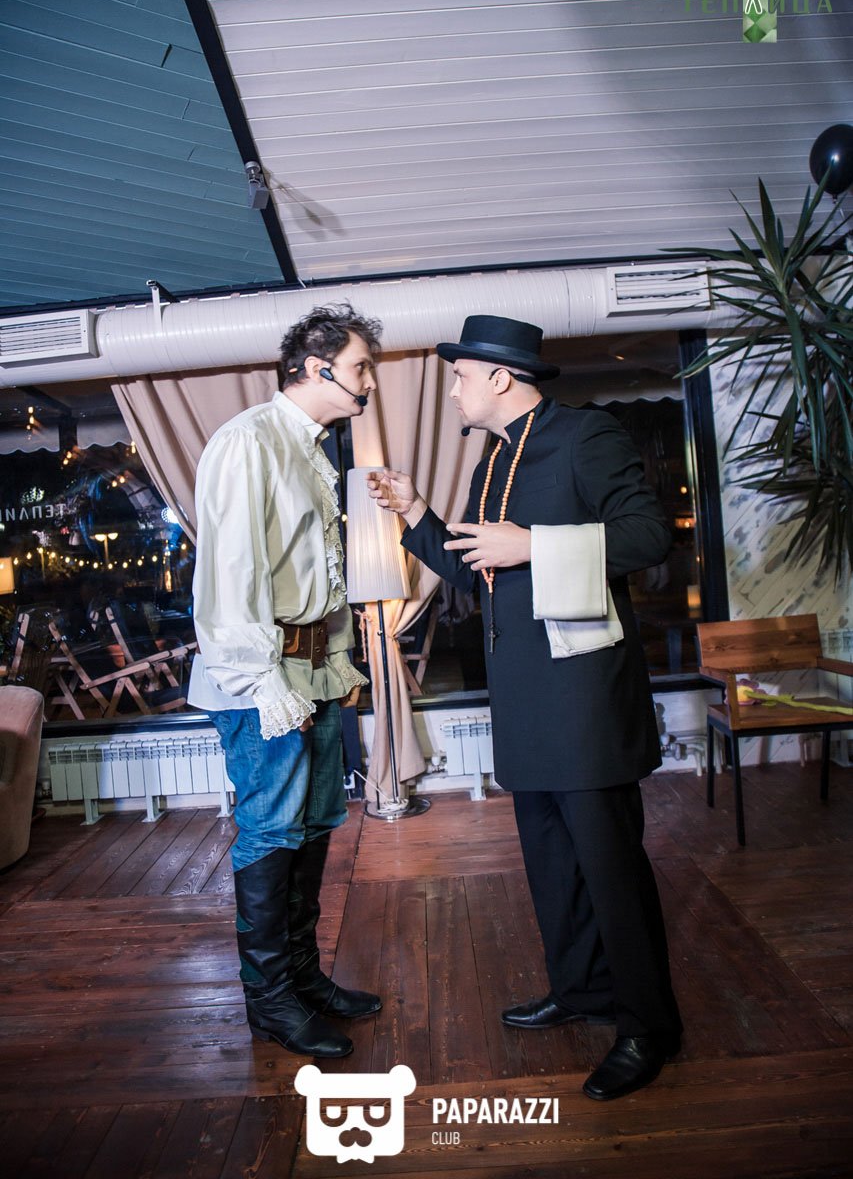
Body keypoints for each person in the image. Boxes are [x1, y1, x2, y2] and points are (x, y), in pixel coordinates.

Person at [368, 314, 683, 1101]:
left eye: (459, 377)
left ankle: (648, 1027)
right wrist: (415, 513)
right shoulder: (493, 460)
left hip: (583, 700)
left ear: (500, 378)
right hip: (525, 699)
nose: (453, 391)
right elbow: (478, 572)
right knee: (551, 863)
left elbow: (648, 537)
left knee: (609, 870)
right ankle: (580, 990)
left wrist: (535, 543)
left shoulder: (584, 436)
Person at [189, 303, 382, 1059]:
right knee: (271, 828)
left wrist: (335, 663)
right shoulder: (249, 441)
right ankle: (269, 1000)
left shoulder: (311, 446)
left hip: (315, 665)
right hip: (262, 672)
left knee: (316, 821)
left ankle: (301, 978)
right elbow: (229, 574)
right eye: (361, 367)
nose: (370, 381)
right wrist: (264, 684)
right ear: (316, 367)